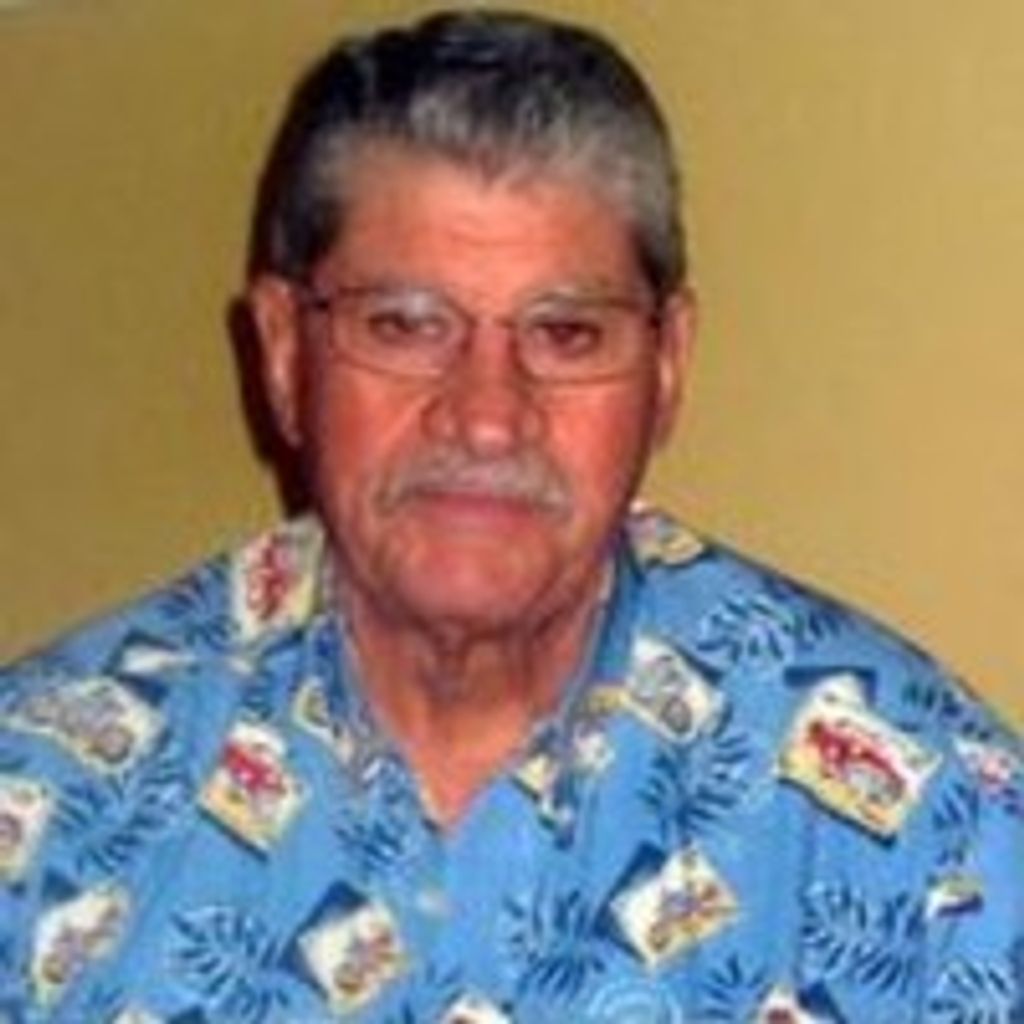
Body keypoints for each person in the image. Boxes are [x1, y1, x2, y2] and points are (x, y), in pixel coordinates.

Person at [1, 8, 1021, 1022]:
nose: (486, 417)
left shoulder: (940, 829)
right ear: (281, 353)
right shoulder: (38, 798)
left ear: (668, 367)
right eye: (405, 325)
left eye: (566, 333)